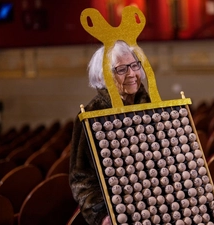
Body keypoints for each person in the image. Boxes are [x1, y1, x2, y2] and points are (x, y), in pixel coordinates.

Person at [69, 40, 151, 225]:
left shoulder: (153, 106)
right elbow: (81, 179)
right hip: (119, 212)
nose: (131, 74)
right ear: (103, 76)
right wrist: (101, 216)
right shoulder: (91, 115)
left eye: (134, 66)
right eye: (121, 69)